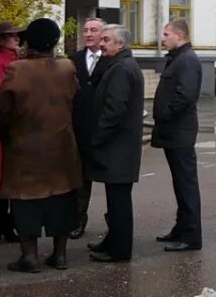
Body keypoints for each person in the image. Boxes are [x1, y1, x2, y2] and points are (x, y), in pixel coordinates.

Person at [0, 18, 82, 273]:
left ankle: (30, 256)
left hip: (26, 148)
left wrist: (3, 132)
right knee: (63, 198)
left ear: (29, 41)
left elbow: (4, 109)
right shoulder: (67, 67)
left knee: (25, 202)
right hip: (62, 146)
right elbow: (74, 97)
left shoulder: (17, 70)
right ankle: (60, 254)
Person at [85, 25, 144, 263]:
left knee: (119, 202)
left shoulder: (121, 68)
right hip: (120, 147)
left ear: (120, 44)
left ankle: (119, 250)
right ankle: (113, 242)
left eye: (107, 39)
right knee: (116, 199)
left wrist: (97, 138)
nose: (101, 43)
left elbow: (114, 109)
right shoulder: (119, 65)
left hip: (118, 147)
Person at [151, 18, 203, 252]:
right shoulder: (179, 59)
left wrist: (164, 114)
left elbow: (184, 96)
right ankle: (181, 228)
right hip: (174, 132)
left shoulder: (187, 60)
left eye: (166, 34)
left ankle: (191, 236)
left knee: (186, 184)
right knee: (180, 184)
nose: (163, 38)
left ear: (180, 36)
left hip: (180, 131)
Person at [68, 17, 106, 240]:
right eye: (86, 30)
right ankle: (77, 219)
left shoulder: (111, 60)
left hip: (102, 128)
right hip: (79, 128)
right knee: (79, 179)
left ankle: (114, 223)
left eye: (94, 30)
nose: (89, 34)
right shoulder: (74, 60)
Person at [0, 22, 23, 242]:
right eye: (12, 36)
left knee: (12, 176)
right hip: (4, 129)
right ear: (1, 40)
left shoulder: (15, 60)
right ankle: (3, 221)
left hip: (15, 127)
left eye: (17, 35)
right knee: (1, 177)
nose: (17, 38)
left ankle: (12, 221)